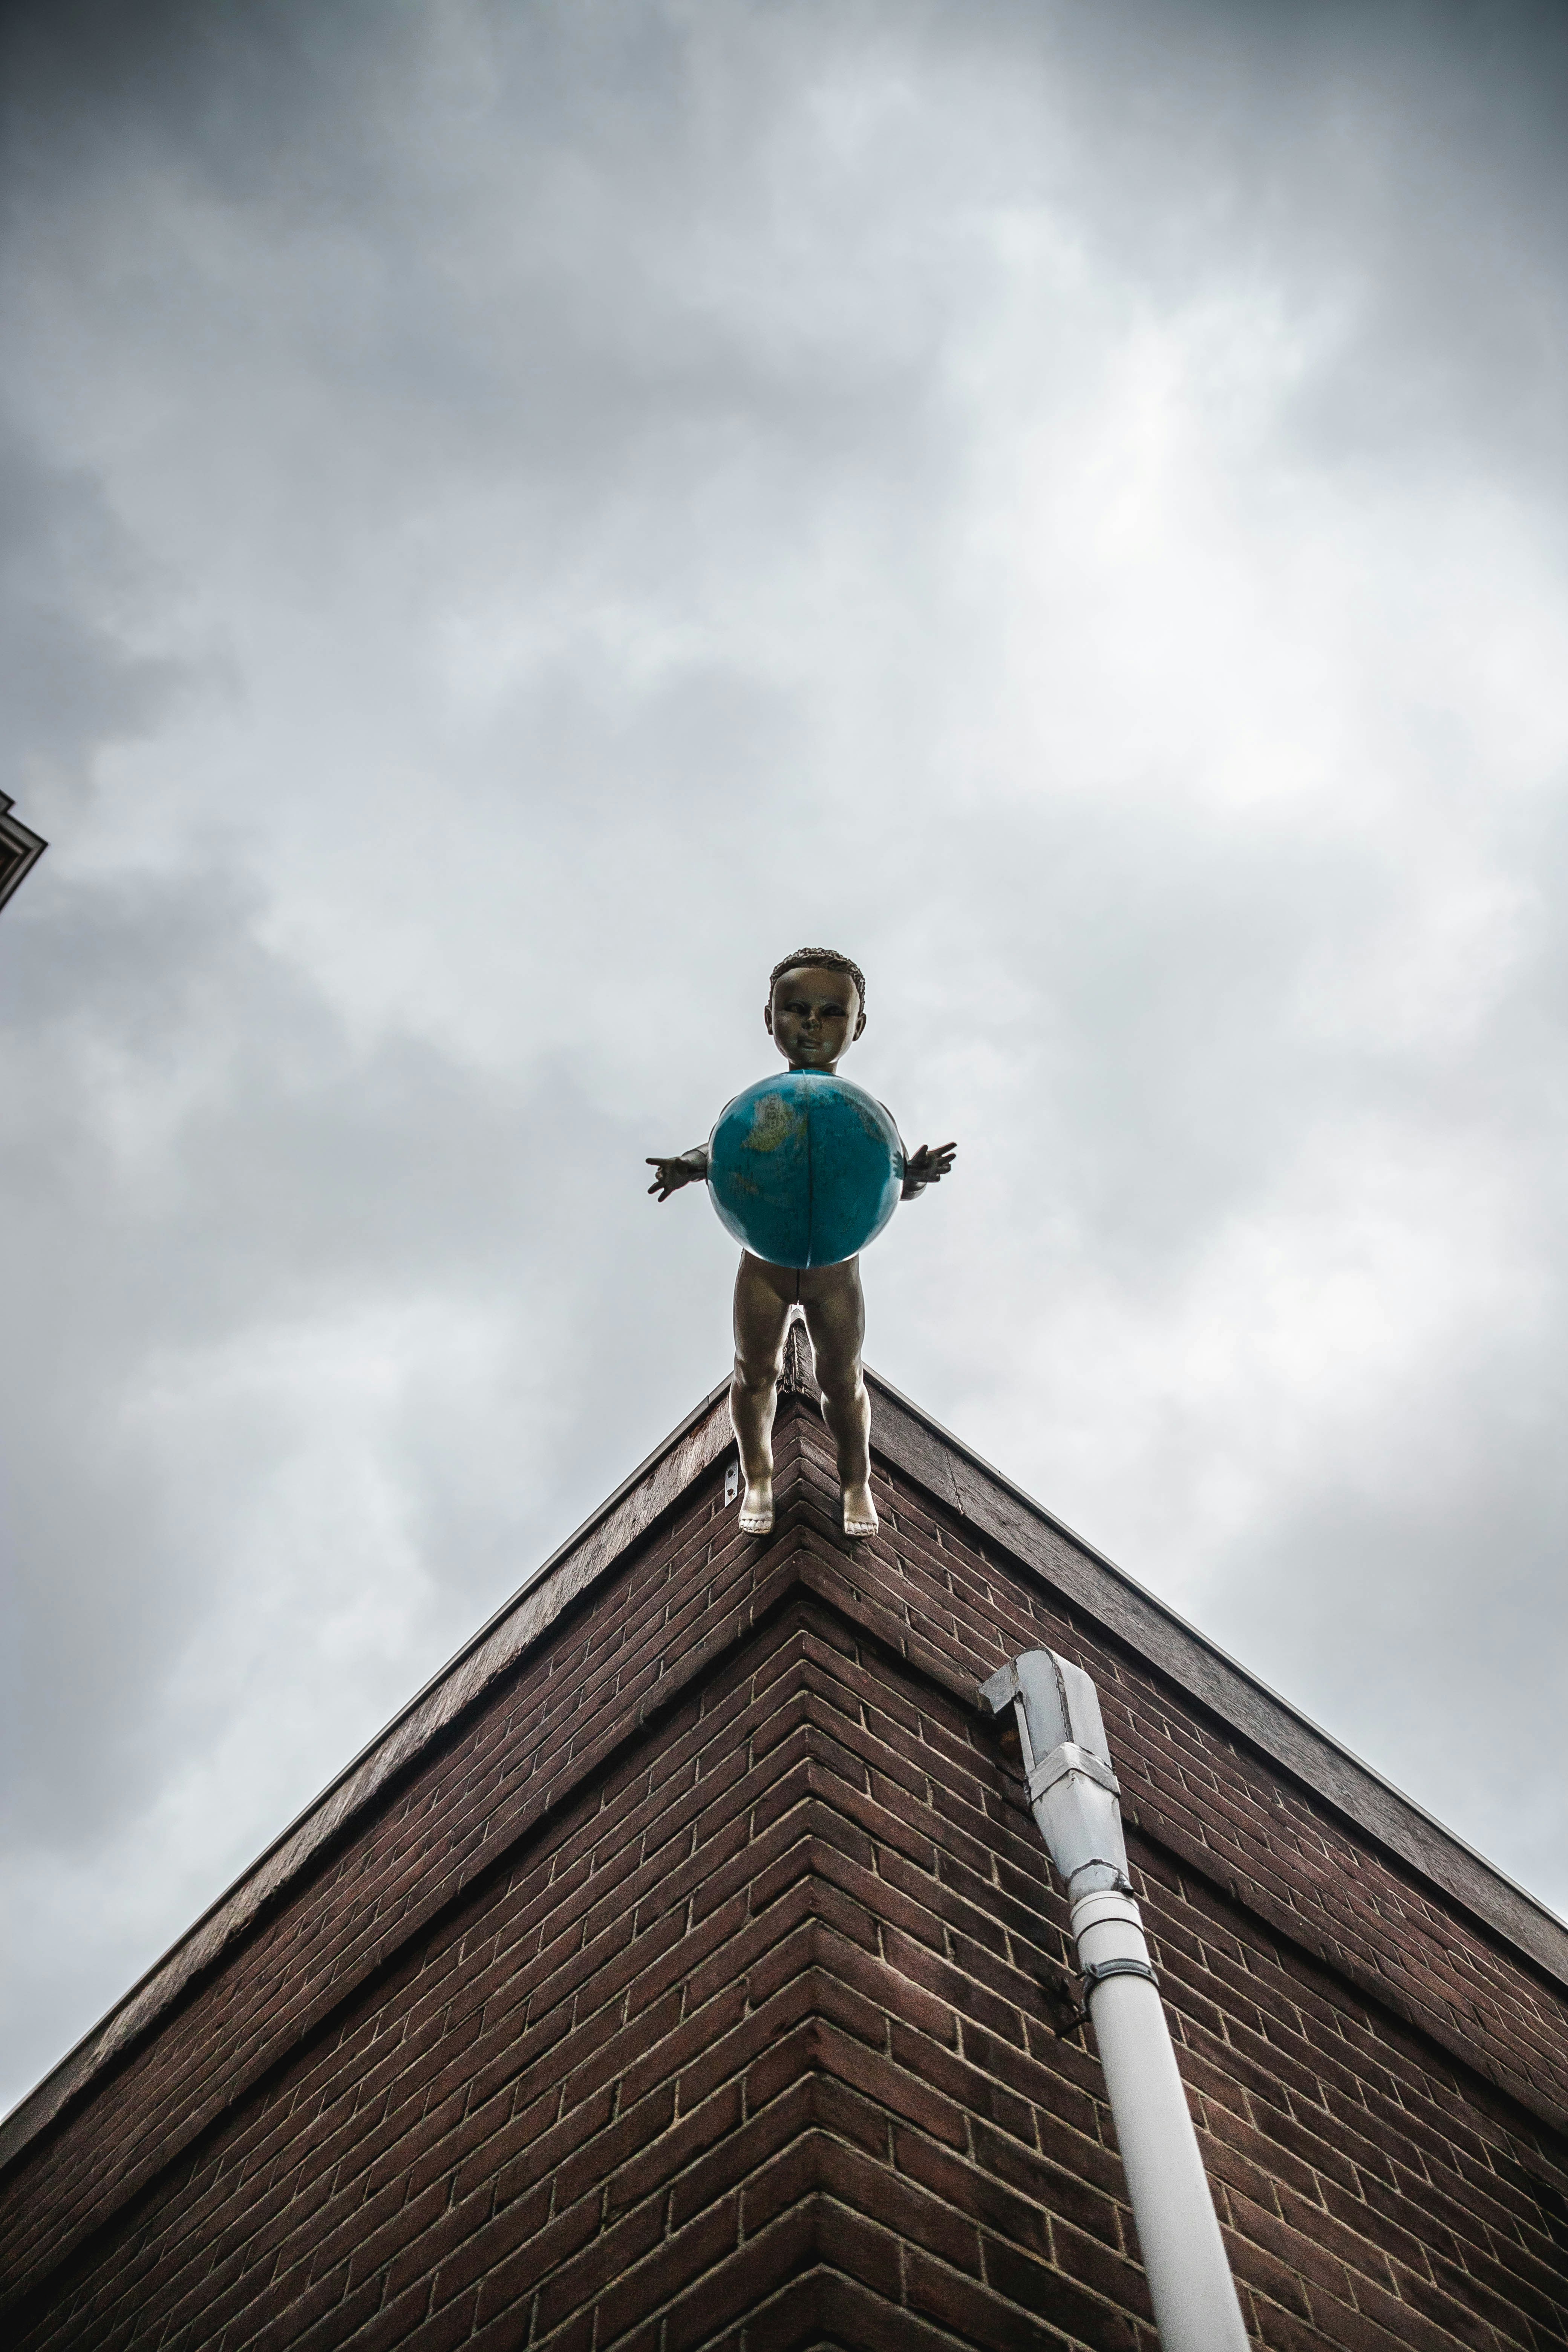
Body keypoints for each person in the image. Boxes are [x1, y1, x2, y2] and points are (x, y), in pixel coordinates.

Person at [647, 949, 956, 1540]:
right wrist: (688, 1166)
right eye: (795, 1009)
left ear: (857, 1025)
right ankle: (759, 1475)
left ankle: (855, 1481)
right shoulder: (758, 1103)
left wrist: (913, 1177)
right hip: (763, 1264)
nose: (812, 1024)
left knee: (841, 1378)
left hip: (835, 1271)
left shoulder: (865, 1113)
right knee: (753, 1372)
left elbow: (888, 1178)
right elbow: (724, 1150)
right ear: (770, 1018)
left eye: (832, 1012)